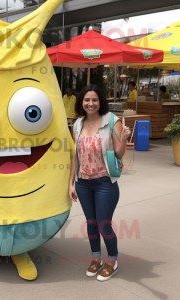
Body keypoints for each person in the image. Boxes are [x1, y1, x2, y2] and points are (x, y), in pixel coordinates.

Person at [69, 84, 131, 281]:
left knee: (104, 226)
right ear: (82, 102)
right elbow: (74, 156)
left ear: (100, 101)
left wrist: (123, 139)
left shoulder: (112, 120)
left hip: (105, 183)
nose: (90, 103)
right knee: (91, 224)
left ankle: (112, 261)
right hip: (83, 184)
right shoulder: (77, 124)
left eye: (94, 100)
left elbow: (119, 154)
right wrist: (71, 183)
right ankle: (96, 259)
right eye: (87, 100)